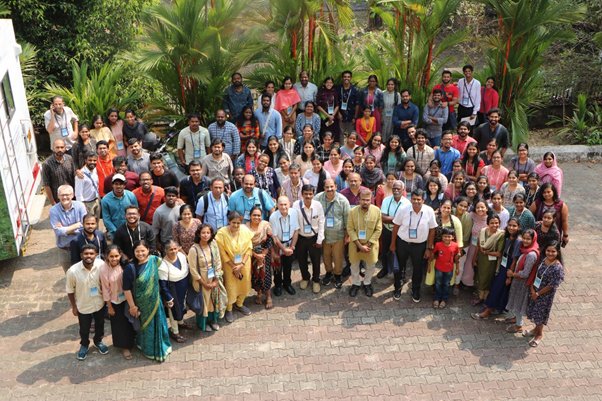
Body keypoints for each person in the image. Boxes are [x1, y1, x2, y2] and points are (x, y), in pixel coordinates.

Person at [123, 240, 172, 361]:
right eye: (137, 251)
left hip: (156, 302)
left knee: (159, 324)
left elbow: (167, 267)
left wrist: (168, 296)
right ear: (133, 252)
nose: (140, 254)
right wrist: (132, 306)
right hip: (141, 305)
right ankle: (148, 349)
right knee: (146, 328)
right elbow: (126, 289)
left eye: (143, 251)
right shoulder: (130, 267)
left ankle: (161, 347)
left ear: (148, 250)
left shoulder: (154, 260)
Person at [390, 188, 437, 302]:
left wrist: (429, 248)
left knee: (418, 269)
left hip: (419, 246)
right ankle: (397, 288)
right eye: (414, 199)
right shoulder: (403, 209)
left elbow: (432, 230)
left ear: (423, 200)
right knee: (399, 267)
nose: (416, 201)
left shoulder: (429, 211)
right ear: (410, 199)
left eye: (418, 199)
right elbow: (396, 227)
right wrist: (393, 244)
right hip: (402, 243)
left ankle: (415, 290)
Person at [471, 218, 521, 320]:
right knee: (498, 288)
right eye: (510, 225)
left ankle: (487, 311)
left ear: (518, 227)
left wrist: (509, 276)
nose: (511, 228)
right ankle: (496, 308)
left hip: (508, 268)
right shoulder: (507, 236)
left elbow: (515, 259)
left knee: (497, 288)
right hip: (502, 265)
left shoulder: (518, 241)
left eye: (514, 226)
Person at [66, 244, 108, 361]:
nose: (88, 256)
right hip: (83, 305)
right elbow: (70, 291)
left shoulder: (101, 265)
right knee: (84, 328)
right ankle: (84, 344)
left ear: (96, 255)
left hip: (99, 303)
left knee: (100, 325)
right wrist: (74, 307)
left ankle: (98, 341)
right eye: (86, 254)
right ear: (81, 255)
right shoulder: (73, 271)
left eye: (91, 253)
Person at [215, 211, 254, 323]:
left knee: (244, 283)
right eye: (233, 223)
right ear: (229, 221)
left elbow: (249, 248)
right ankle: (229, 308)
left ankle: (240, 304)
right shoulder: (222, 233)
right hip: (229, 265)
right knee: (230, 286)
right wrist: (234, 267)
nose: (236, 225)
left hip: (244, 263)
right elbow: (222, 254)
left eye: (238, 223)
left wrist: (242, 264)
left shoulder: (245, 230)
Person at [525, 242, 565, 347]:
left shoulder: (557, 268)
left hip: (545, 295)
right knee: (534, 312)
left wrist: (538, 293)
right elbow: (535, 274)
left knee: (540, 315)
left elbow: (552, 285)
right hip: (535, 291)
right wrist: (532, 289)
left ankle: (539, 335)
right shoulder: (543, 260)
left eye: (553, 251)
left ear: (558, 252)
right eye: (548, 251)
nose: (550, 253)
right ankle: (535, 330)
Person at [188, 224, 226, 332]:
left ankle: (213, 321)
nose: (205, 235)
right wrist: (204, 284)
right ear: (199, 234)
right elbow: (193, 270)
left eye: (208, 233)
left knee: (213, 301)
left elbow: (218, 261)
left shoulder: (213, 244)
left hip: (213, 278)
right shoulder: (194, 249)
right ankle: (203, 324)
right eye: (203, 233)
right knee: (204, 302)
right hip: (201, 281)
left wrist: (216, 280)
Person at [100, 245, 135, 359]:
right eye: (111, 256)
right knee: (119, 325)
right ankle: (124, 347)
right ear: (107, 256)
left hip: (128, 299)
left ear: (120, 255)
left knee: (130, 322)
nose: (114, 259)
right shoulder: (104, 269)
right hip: (115, 302)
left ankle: (132, 342)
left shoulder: (125, 265)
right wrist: (109, 306)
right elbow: (105, 289)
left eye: (116, 256)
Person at [315, 179, 350, 289]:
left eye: (331, 187)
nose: (329, 189)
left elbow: (347, 218)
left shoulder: (343, 200)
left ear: (336, 186)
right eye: (327, 187)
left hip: (338, 235)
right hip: (324, 235)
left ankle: (338, 275)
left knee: (338, 257)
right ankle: (329, 273)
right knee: (326, 256)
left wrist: (347, 236)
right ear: (324, 188)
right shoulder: (318, 198)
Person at [347, 189, 382, 297]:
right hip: (355, 245)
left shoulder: (377, 211)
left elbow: (378, 229)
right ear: (359, 199)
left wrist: (367, 245)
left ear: (371, 199)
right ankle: (356, 283)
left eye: (368, 200)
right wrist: (359, 245)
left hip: (371, 245)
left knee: (370, 265)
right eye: (363, 200)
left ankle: (367, 283)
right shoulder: (352, 211)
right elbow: (350, 229)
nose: (365, 202)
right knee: (354, 265)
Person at [504, 229, 540, 334]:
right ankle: (516, 319)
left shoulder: (531, 255)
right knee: (516, 302)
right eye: (524, 238)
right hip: (518, 282)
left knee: (519, 304)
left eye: (528, 239)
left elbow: (525, 274)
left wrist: (512, 274)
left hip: (522, 284)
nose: (525, 241)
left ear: (533, 239)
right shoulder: (525, 249)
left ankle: (518, 326)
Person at [292, 185, 325, 294]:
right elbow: (294, 222)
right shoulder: (296, 205)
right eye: (306, 194)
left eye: (310, 194)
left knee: (316, 261)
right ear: (302, 194)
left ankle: (316, 280)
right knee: (302, 260)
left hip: (314, 238)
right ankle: (305, 277)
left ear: (313, 194)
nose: (308, 196)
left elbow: (321, 222)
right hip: (301, 237)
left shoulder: (318, 205)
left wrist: (319, 240)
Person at [158, 240, 190, 343]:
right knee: (173, 311)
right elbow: (163, 285)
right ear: (166, 250)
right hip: (173, 290)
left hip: (183, 287)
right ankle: (175, 332)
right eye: (170, 249)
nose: (174, 251)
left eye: (175, 248)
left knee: (182, 306)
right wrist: (168, 298)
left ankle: (181, 323)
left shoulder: (181, 256)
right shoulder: (163, 265)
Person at [50, 185, 88, 270]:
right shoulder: (54, 210)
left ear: (72, 195)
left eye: (67, 194)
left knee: (83, 272)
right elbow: (58, 232)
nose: (64, 197)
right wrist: (77, 225)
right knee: (69, 274)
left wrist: (65, 230)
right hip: (65, 250)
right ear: (58, 196)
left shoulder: (80, 206)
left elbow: (85, 226)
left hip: (80, 248)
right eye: (62, 195)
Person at [377, 180, 410, 278]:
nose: (396, 190)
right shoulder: (386, 200)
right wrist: (397, 219)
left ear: (403, 190)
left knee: (401, 253)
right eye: (394, 188)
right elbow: (382, 218)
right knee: (384, 251)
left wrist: (390, 218)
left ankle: (401, 272)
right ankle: (385, 269)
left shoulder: (407, 203)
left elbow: (405, 221)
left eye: (398, 189)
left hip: (400, 232)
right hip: (387, 230)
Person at [472, 213, 504, 305]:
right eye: (492, 223)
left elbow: (499, 253)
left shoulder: (500, 235)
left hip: (491, 262)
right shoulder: (483, 231)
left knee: (488, 279)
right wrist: (474, 258)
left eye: (496, 223)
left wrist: (486, 252)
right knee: (480, 277)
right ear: (487, 223)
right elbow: (478, 246)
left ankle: (485, 298)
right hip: (481, 259)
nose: (494, 225)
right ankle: (480, 296)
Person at [270, 197, 300, 297]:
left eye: (285, 204)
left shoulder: (294, 213)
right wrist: (283, 249)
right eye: (281, 204)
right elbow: (274, 236)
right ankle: (278, 285)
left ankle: (287, 284)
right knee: (277, 266)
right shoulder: (273, 217)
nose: (283, 207)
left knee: (288, 265)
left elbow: (296, 231)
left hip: (290, 243)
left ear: (289, 204)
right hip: (278, 244)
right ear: (277, 205)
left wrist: (292, 247)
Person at [246, 206, 274, 309]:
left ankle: (268, 296)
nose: (256, 217)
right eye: (254, 215)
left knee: (265, 274)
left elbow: (270, 240)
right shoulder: (245, 228)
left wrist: (263, 255)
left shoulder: (265, 225)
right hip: (252, 255)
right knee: (255, 275)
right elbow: (245, 244)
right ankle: (259, 293)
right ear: (250, 216)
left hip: (264, 254)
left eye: (258, 215)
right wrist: (255, 255)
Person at [429, 227, 460, 309]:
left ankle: (444, 299)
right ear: (442, 236)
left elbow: (457, 259)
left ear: (452, 237)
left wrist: (457, 268)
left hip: (449, 269)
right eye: (445, 236)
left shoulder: (455, 246)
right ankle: (436, 298)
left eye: (449, 236)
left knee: (446, 284)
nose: (446, 238)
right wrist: (429, 266)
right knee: (438, 283)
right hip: (438, 268)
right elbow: (432, 255)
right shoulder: (438, 245)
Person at [461, 199, 490, 287]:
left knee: (477, 264)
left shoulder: (490, 220)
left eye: (482, 207)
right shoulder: (472, 215)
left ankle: (475, 284)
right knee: (468, 263)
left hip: (481, 247)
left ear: (487, 208)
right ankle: (465, 281)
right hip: (471, 244)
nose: (480, 209)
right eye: (478, 207)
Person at [101, 174, 139, 238]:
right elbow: (106, 219)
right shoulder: (105, 199)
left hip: (131, 230)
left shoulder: (131, 195)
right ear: (112, 185)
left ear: (124, 185)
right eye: (116, 184)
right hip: (114, 232)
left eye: (121, 184)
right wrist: (116, 231)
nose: (118, 186)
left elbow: (136, 213)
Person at [42, 139, 75, 206]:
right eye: (57, 147)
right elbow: (46, 185)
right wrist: (53, 202)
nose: (60, 149)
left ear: (65, 148)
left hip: (71, 196)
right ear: (53, 148)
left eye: (62, 147)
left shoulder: (69, 159)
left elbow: (74, 177)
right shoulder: (47, 164)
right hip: (58, 199)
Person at [74, 151, 100, 218]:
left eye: (94, 160)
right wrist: (82, 207)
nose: (92, 162)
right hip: (86, 204)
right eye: (90, 160)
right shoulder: (80, 175)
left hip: (96, 201)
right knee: (89, 223)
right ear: (85, 160)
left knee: (96, 222)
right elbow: (78, 194)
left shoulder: (95, 170)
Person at [317, 76, 341, 141]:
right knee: (323, 132)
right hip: (324, 116)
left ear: (333, 84)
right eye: (327, 82)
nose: (329, 84)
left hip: (333, 117)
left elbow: (337, 105)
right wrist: (328, 116)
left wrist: (332, 115)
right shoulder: (321, 92)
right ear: (324, 83)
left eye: (331, 83)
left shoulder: (335, 92)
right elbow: (318, 106)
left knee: (334, 133)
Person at [337, 70, 360, 137]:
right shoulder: (338, 88)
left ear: (351, 78)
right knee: (341, 134)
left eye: (348, 77)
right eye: (345, 77)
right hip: (340, 116)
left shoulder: (355, 90)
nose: (346, 78)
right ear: (342, 78)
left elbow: (357, 104)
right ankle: (341, 144)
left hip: (351, 116)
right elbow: (336, 102)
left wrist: (355, 117)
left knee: (351, 135)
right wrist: (338, 113)